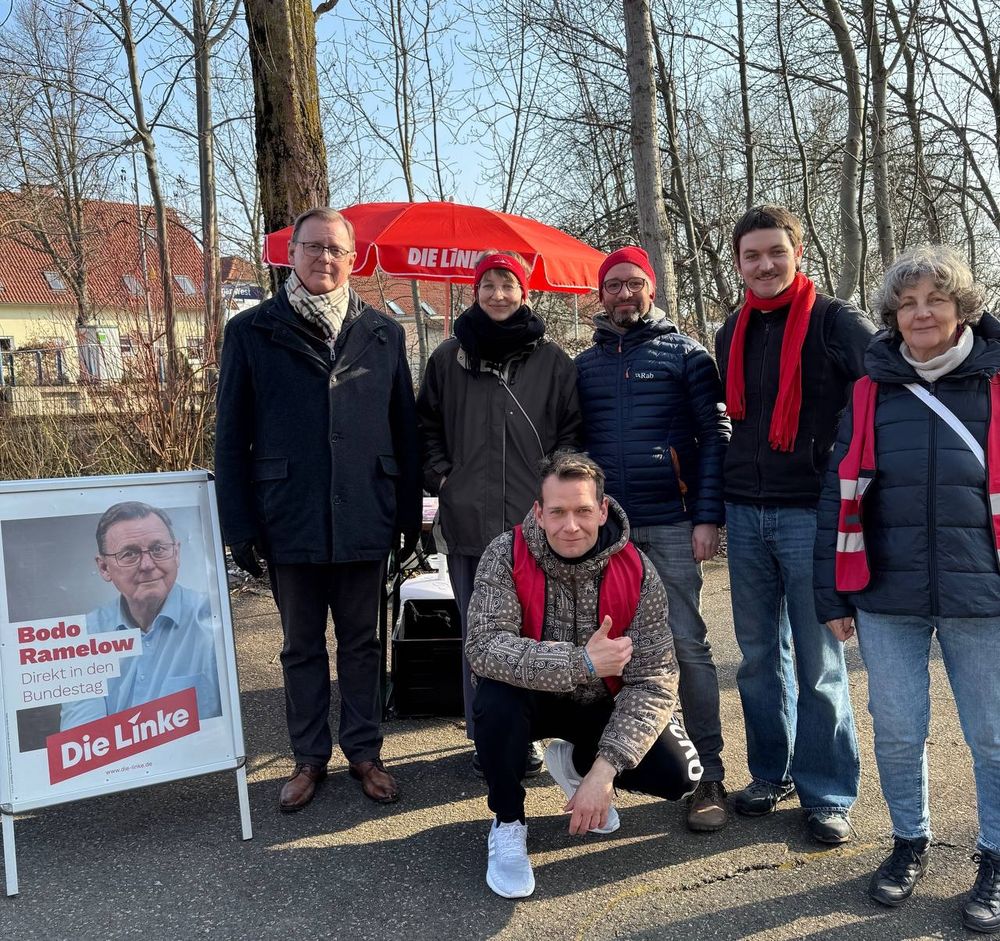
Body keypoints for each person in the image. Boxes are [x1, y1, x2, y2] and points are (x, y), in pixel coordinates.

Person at [815, 245, 1000, 933]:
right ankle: (909, 842)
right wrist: (830, 594)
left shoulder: (996, 383)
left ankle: (996, 856)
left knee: (993, 737)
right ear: (893, 313)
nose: (922, 311)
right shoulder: (870, 388)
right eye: (908, 301)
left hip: (983, 595)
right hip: (886, 591)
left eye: (936, 298)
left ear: (962, 308)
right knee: (897, 732)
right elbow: (837, 495)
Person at [215, 207, 422, 812]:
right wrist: (240, 525)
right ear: (290, 254)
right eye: (312, 247)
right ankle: (309, 758)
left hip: (365, 510)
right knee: (300, 644)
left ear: (351, 256)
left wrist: (408, 513)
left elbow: (403, 431)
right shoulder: (252, 331)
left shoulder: (385, 332)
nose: (324, 259)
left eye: (335, 249)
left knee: (362, 643)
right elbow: (231, 437)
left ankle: (364, 752)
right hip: (289, 515)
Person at [466, 450, 702, 898]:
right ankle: (509, 822)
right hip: (528, 700)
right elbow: (483, 647)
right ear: (538, 511)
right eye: (556, 512)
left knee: (680, 775)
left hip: (600, 704)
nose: (569, 525)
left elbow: (655, 679)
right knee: (494, 699)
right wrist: (581, 663)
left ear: (603, 510)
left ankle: (575, 765)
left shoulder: (637, 570)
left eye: (582, 510)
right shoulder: (505, 553)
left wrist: (604, 771)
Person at [715, 205, 874, 844]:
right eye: (752, 255)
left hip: (812, 511)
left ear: (797, 253)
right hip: (744, 512)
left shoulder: (837, 323)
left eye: (775, 252)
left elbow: (880, 390)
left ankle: (828, 791)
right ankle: (769, 771)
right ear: (739, 263)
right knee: (757, 657)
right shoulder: (733, 330)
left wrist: (837, 462)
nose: (764, 264)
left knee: (819, 662)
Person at [575, 246, 730, 832]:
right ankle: (607, 767)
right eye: (613, 285)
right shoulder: (584, 365)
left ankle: (709, 773)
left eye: (633, 283)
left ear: (652, 287)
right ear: (600, 293)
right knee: (604, 646)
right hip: (604, 528)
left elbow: (714, 438)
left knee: (686, 644)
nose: (623, 294)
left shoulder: (686, 355)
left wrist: (707, 516)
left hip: (670, 520)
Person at [416, 250, 581, 774]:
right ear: (474, 291)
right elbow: (424, 429)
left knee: (541, 629)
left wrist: (555, 491)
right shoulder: (448, 358)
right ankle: (488, 733)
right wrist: (446, 477)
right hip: (470, 522)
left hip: (537, 523)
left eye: (507, 283)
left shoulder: (553, 360)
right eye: (487, 284)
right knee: (481, 633)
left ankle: (538, 732)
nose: (497, 294)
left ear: (524, 292)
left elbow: (573, 433)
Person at [60, 501, 221, 730]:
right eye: (129, 553)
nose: (147, 565)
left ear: (176, 554)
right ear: (104, 567)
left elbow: (220, 732)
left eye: (158, 549)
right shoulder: (85, 634)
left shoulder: (212, 618)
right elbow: (81, 735)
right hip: (115, 765)